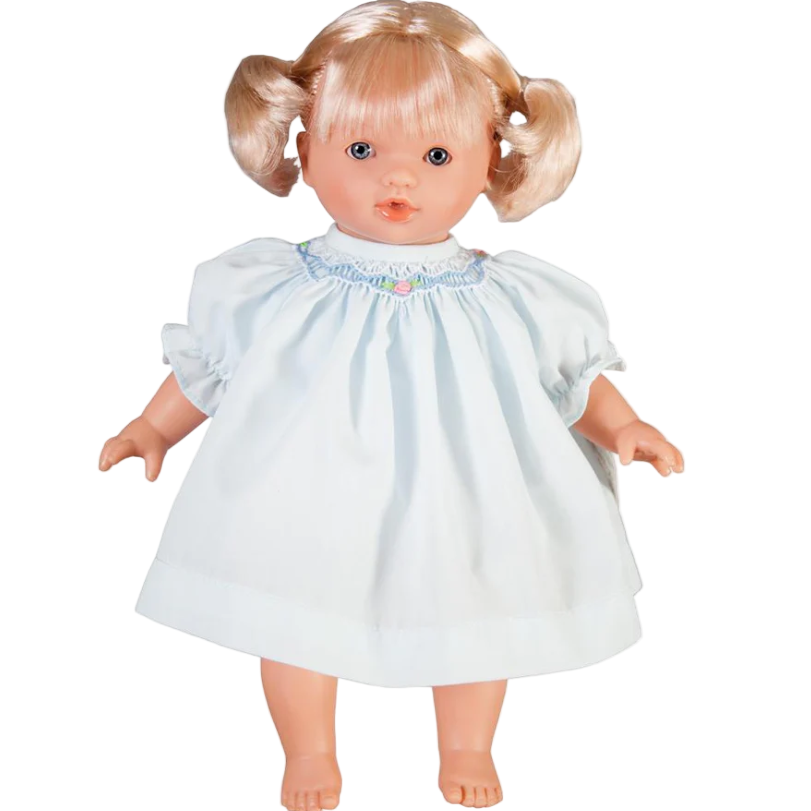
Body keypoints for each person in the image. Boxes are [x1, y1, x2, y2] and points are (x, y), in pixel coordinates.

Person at [99, 2, 684, 808]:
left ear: (490, 161)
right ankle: (308, 750)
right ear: (306, 153)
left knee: (478, 604)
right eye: (361, 149)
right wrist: (153, 425)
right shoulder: (272, 284)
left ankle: (467, 743)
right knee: (292, 607)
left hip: (463, 486)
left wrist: (623, 425)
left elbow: (565, 376)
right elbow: (213, 362)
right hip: (307, 484)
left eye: (436, 154)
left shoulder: (513, 294)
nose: (397, 177)